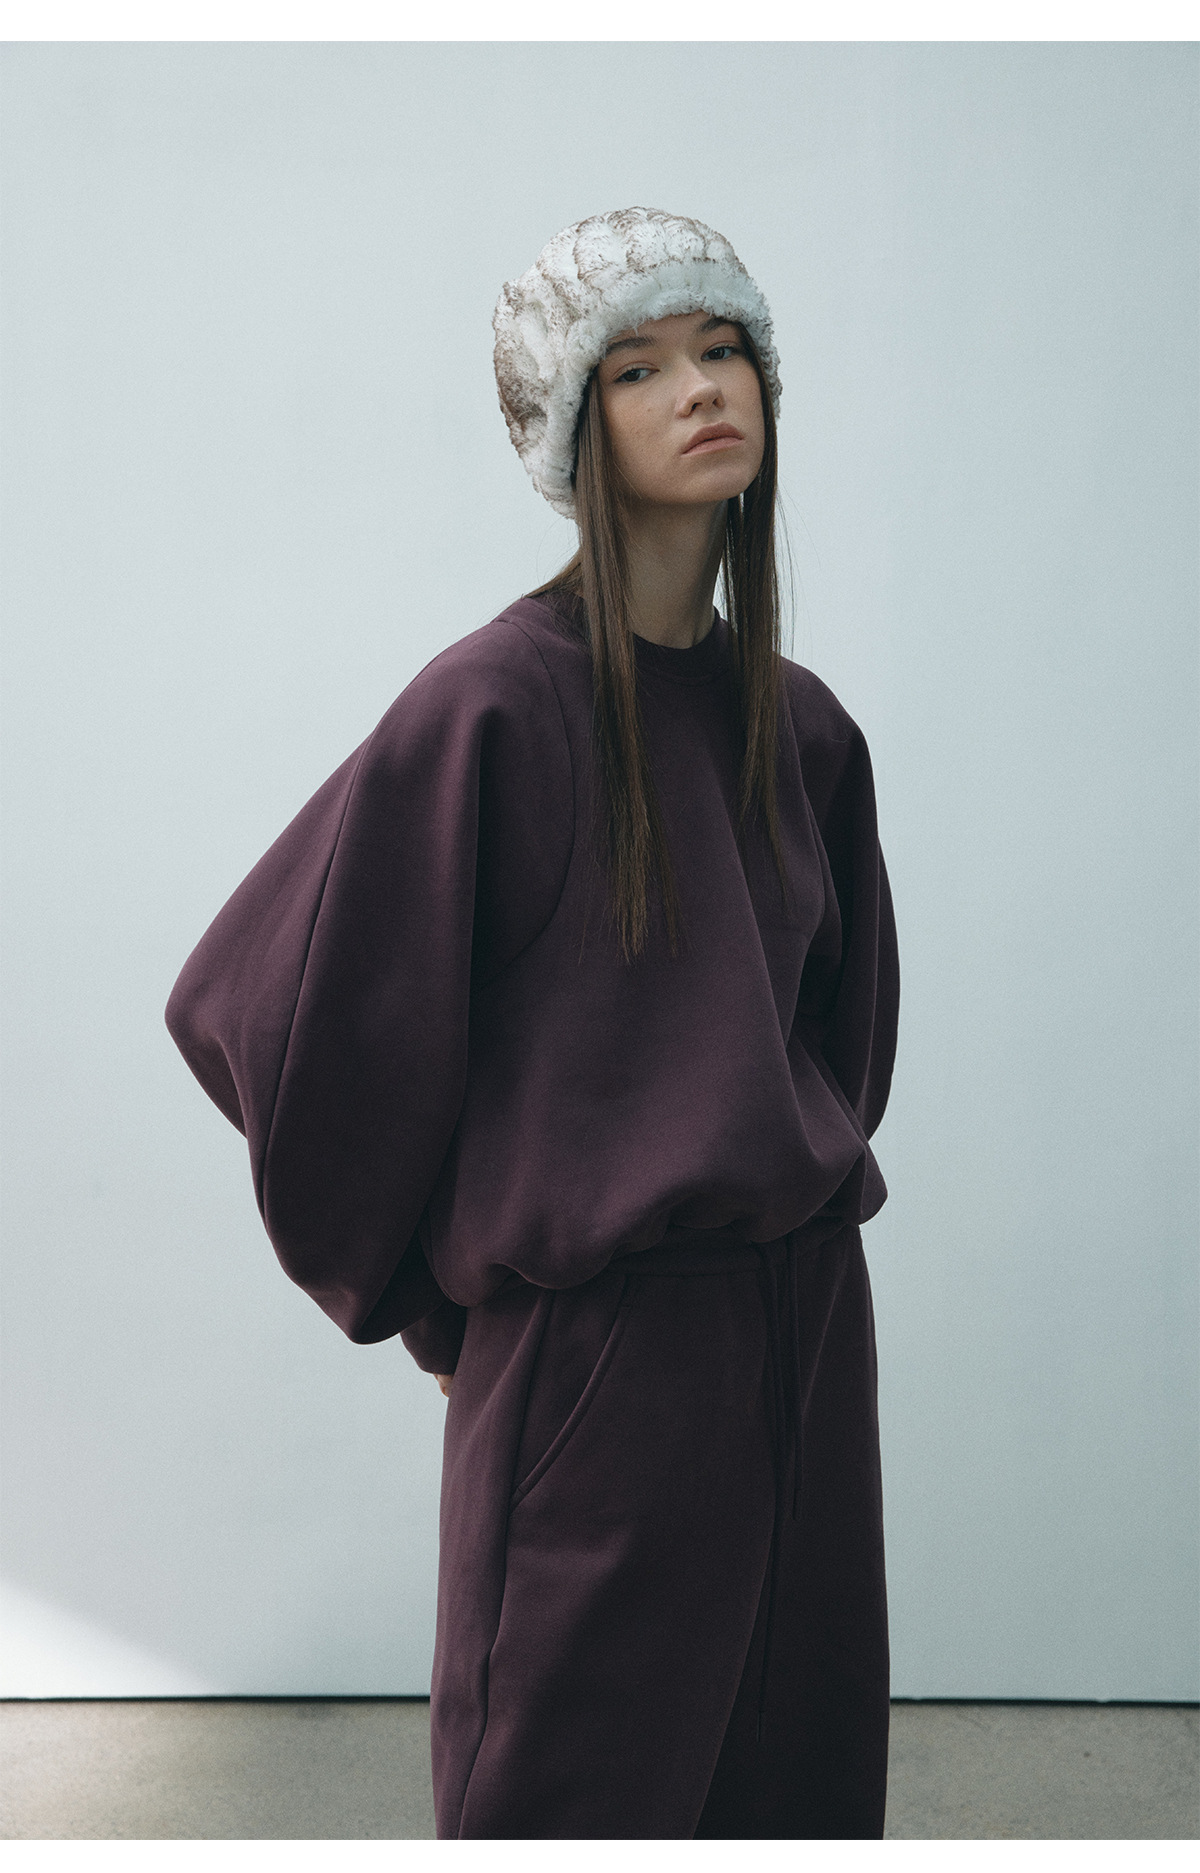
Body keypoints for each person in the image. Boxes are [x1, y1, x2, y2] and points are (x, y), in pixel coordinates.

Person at [165, 206, 900, 1840]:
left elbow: (844, 1050)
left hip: (805, 1335)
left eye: (723, 349)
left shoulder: (804, 731)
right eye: (637, 368)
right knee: (568, 1797)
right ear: (573, 424)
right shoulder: (494, 704)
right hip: (602, 1362)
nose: (698, 388)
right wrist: (439, 1313)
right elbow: (283, 1010)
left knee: (794, 1791)